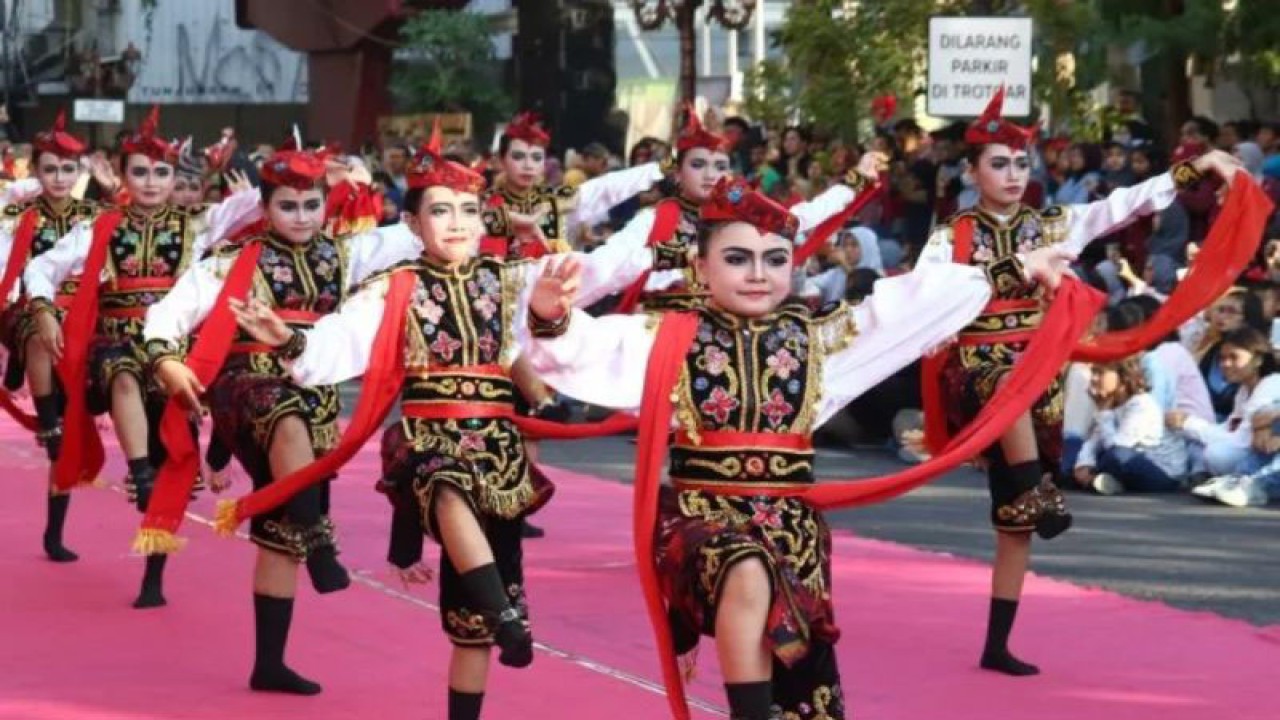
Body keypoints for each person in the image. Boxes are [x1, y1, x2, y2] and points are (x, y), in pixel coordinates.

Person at [519, 177, 1073, 720]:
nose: (758, 274)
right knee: (746, 567)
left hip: (793, 532)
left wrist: (1020, 267)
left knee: (808, 697)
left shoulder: (820, 339)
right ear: (700, 264)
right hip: (700, 521)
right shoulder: (670, 335)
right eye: (737, 259)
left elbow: (907, 305)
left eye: (775, 259)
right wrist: (551, 316)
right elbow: (589, 347)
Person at [218, 131, 660, 720]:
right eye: (441, 211)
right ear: (413, 221)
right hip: (427, 439)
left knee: (469, 631)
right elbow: (342, 339)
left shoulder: (508, 281)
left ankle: (491, 627)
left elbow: (552, 319)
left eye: (469, 211)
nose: (458, 223)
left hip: (498, 450)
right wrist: (290, 337)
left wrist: (552, 312)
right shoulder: (396, 287)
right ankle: (505, 614)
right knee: (446, 484)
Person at [920, 87, 1242, 677]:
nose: (1014, 173)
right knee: (1004, 385)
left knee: (1014, 522)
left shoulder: (1053, 225)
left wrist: (1199, 165)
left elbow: (1124, 205)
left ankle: (997, 643)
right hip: (976, 372)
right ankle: (1041, 494)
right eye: (999, 163)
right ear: (971, 172)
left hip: (1036, 375)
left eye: (1021, 163)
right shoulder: (951, 237)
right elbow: (924, 301)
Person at [140, 142, 428, 694]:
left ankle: (268, 663)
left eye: (311, 204)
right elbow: (167, 315)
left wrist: (404, 179)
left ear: (326, 203)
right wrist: (166, 361)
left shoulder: (349, 254)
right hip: (245, 391)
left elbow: (424, 228)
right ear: (265, 208)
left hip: (314, 395)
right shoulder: (230, 262)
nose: (301, 216)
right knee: (284, 415)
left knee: (280, 536)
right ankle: (323, 543)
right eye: (288, 206)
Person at [22, 105, 260, 608]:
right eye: (141, 172)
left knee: (174, 457)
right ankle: (137, 472)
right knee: (124, 373)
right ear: (124, 176)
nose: (152, 182)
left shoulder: (201, 223)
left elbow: (271, 202)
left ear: (175, 178)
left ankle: (154, 575)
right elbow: (40, 268)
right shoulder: (101, 228)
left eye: (162, 172)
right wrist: (42, 310)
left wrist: (305, 171)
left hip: (173, 356)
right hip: (115, 346)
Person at [0, 111, 97, 562]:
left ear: (80, 173)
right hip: (24, 307)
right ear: (36, 170)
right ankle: (47, 419)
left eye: (67, 169)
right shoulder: (15, 215)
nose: (59, 178)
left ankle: (54, 532)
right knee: (39, 332)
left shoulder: (97, 217)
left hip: (82, 317)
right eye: (50, 168)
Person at [480, 112, 664, 259]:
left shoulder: (555, 201)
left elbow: (604, 189)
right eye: (518, 157)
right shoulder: (482, 204)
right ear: (501, 161)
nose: (528, 165)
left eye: (536, 158)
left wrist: (658, 170)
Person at [1072, 356, 1188, 495]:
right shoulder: (1111, 404)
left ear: (1122, 376)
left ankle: (1100, 480)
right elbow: (1093, 441)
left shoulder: (1142, 404)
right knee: (1075, 464)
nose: (1094, 378)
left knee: (1115, 456)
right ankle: (1105, 482)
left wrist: (1104, 414)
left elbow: (1116, 447)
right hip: (1130, 464)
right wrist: (1084, 464)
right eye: (1093, 372)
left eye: (1100, 373)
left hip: (1164, 473)